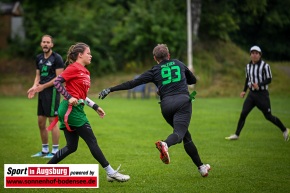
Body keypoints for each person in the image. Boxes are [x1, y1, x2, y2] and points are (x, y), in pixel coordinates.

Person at [99, 44, 211, 177]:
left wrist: (110, 89)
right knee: (179, 134)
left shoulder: (154, 70)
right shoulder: (178, 63)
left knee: (186, 136)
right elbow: (193, 80)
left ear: (155, 58)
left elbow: (132, 83)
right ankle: (165, 144)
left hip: (166, 106)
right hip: (182, 103)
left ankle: (201, 167)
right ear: (168, 55)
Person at [47, 42, 130, 182]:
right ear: (80, 55)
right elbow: (57, 82)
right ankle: (110, 172)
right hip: (71, 111)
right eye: (88, 53)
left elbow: (82, 95)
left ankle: (45, 170)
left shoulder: (85, 71)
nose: (91, 56)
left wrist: (96, 107)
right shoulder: (73, 68)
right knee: (92, 141)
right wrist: (69, 97)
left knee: (71, 147)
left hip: (73, 109)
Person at [225, 45, 289, 141]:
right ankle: (236, 135)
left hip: (262, 94)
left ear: (260, 55)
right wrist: (244, 91)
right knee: (243, 113)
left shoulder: (265, 66)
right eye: (253, 53)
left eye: (256, 53)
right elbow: (247, 79)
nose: (254, 55)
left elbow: (269, 79)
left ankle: (285, 130)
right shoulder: (248, 66)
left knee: (268, 116)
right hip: (252, 95)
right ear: (250, 55)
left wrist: (259, 84)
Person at [27, 35, 64, 158]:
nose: (46, 44)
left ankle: (54, 152)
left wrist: (43, 86)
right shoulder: (38, 58)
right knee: (41, 122)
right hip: (42, 92)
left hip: (53, 92)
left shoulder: (57, 58)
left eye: (48, 42)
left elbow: (59, 79)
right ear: (41, 44)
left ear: (52, 44)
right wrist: (34, 86)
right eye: (44, 42)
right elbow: (38, 76)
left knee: (52, 121)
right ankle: (44, 150)